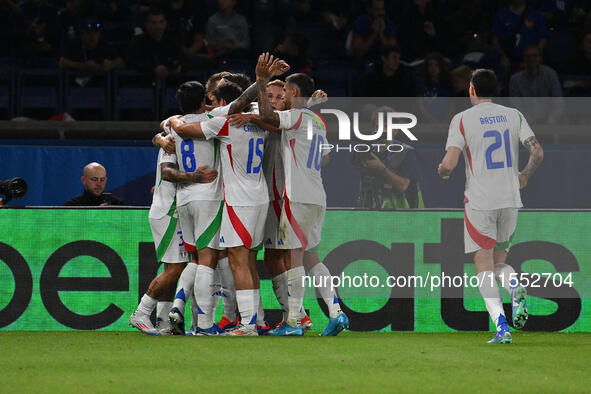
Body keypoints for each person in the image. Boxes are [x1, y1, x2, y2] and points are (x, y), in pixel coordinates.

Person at [169, 57, 288, 336]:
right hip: (260, 195)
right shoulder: (258, 117)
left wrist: (173, 120)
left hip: (238, 199)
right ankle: (256, 320)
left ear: (222, 102)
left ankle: (246, 324)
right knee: (248, 260)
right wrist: (264, 84)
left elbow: (185, 129)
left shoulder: (225, 120)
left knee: (237, 260)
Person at [437, 68, 544, 343]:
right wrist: (524, 176)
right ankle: (514, 285)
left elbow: (449, 163)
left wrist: (443, 171)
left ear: (471, 89)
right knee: (499, 264)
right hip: (510, 199)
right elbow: (537, 151)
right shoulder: (513, 115)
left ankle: (501, 326)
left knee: (482, 264)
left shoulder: (462, 119)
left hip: (481, 201)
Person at [255, 57, 349, 336]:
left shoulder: (297, 116)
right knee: (311, 256)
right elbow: (327, 157)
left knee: (294, 258)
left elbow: (268, 117)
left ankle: (293, 322)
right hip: (318, 195)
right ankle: (336, 312)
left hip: (295, 196)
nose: (281, 94)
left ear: (294, 93)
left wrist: (254, 103)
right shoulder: (317, 119)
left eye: (284, 89)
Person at [129, 129, 217, 335]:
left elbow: (159, 132)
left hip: (173, 208)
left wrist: (157, 138)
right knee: (175, 269)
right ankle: (142, 312)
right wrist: (197, 177)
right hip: (168, 209)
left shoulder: (174, 133)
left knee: (174, 267)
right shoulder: (173, 137)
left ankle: (163, 322)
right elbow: (167, 173)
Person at [164, 81, 226, 336]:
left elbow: (168, 124)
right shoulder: (211, 119)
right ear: (205, 100)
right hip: (207, 195)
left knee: (194, 258)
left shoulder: (174, 125)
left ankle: (178, 305)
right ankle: (204, 324)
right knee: (208, 259)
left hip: (184, 197)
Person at [355, 107, 423, 210]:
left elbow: (403, 185)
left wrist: (381, 169)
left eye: (386, 127)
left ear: (395, 130)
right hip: (373, 213)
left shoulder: (407, 152)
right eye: (378, 127)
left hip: (404, 214)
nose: (381, 131)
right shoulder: (367, 151)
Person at [508, 45, 564, 123]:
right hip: (526, 123)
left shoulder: (551, 75)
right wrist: (530, 123)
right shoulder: (515, 80)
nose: (532, 59)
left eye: (535, 56)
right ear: (524, 59)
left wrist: (550, 122)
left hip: (550, 122)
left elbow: (558, 103)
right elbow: (516, 107)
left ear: (541, 58)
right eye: (528, 56)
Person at [127, 7, 184, 77]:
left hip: (171, 82)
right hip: (142, 82)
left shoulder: (172, 42)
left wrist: (178, 68)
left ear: (165, 23)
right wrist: (153, 69)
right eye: (153, 22)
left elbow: (183, 59)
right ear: (146, 24)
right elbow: (132, 61)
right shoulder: (138, 42)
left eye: (161, 22)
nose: (158, 26)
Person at [491, 0, 549, 68]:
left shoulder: (536, 14)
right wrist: (502, 56)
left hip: (530, 59)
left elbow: (543, 38)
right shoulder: (502, 14)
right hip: (509, 60)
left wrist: (537, 56)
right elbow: (494, 40)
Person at [58, 18, 125, 74]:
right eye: (88, 33)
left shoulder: (104, 45)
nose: (92, 36)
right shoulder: (75, 44)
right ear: (82, 33)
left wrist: (111, 65)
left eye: (96, 33)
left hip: (99, 85)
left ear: (99, 34)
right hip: (76, 85)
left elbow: (121, 63)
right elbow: (62, 62)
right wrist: (84, 66)